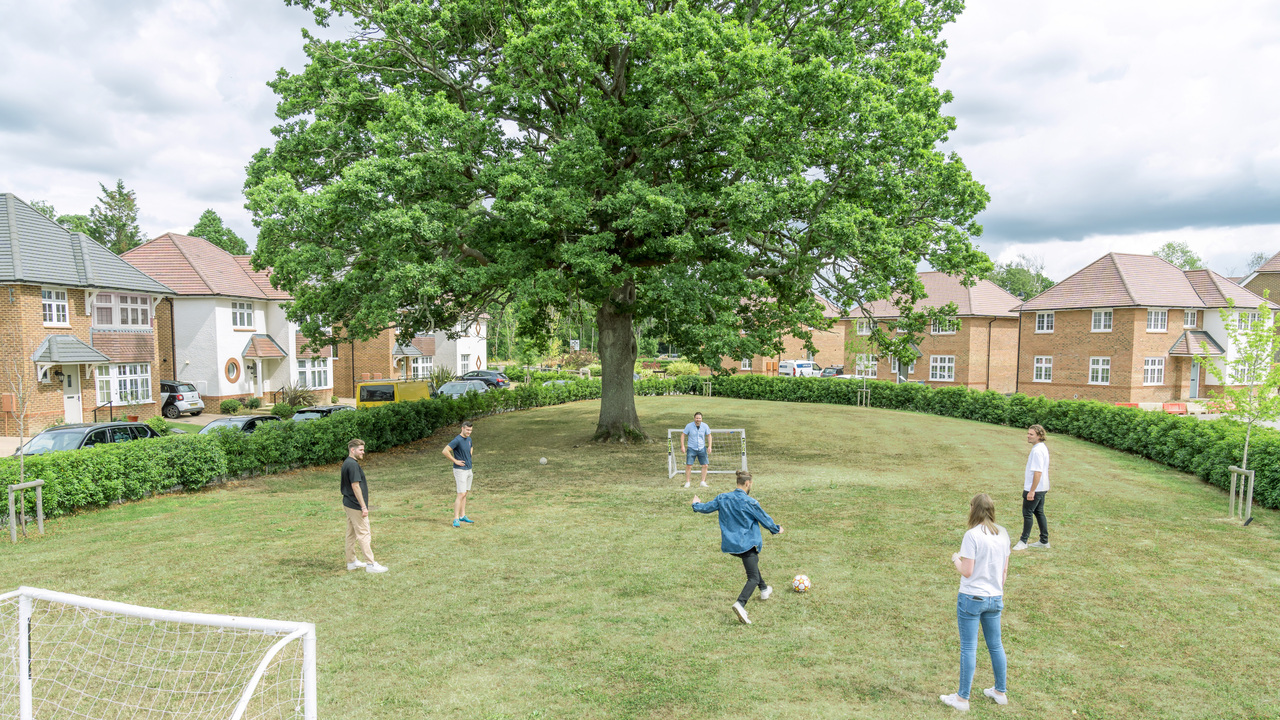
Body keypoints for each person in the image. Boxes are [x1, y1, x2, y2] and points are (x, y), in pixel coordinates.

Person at [941, 493, 1010, 712]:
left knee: (969, 648)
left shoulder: (971, 536)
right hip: (994, 597)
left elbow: (967, 571)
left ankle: (962, 699)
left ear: (974, 509)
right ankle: (1000, 692)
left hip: (971, 598)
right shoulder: (1003, 534)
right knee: (996, 645)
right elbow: (1004, 571)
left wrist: (955, 559)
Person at [691, 470, 783, 625]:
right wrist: (776, 528)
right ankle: (740, 604)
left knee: (752, 565)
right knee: (752, 577)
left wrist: (696, 504)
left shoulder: (722, 498)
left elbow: (706, 508)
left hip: (731, 545)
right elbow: (764, 519)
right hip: (746, 544)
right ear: (747, 484)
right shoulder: (750, 502)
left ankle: (764, 589)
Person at [341, 438, 388, 573]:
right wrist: (363, 506)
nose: (363, 452)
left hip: (348, 503)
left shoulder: (347, 463)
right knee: (364, 533)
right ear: (352, 450)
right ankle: (370, 564)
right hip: (355, 505)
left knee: (351, 533)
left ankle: (351, 562)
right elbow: (355, 486)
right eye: (361, 450)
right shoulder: (353, 465)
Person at [1014, 424, 1050, 551]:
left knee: (1027, 513)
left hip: (1036, 488)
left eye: (1031, 434)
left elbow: (1037, 472)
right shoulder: (1041, 448)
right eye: (1028, 433)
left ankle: (1023, 541)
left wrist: (1032, 490)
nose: (1028, 436)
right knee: (1039, 512)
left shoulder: (1037, 451)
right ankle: (1044, 540)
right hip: (1043, 487)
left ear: (1039, 436)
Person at [442, 421, 475, 528]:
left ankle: (462, 516)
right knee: (460, 494)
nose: (469, 432)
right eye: (467, 430)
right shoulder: (457, 440)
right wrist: (455, 461)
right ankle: (456, 519)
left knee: (465, 493)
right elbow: (445, 451)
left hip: (469, 469)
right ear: (462, 428)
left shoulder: (469, 439)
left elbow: (471, 447)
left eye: (470, 430)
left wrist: (468, 457)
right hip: (460, 471)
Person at [682, 412, 713, 488]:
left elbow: (709, 436)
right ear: (694, 418)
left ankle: (703, 481)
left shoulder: (705, 426)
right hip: (691, 448)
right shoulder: (689, 426)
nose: (698, 420)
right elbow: (683, 435)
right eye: (696, 418)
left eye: (699, 418)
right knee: (689, 465)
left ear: (701, 419)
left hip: (702, 448)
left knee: (705, 465)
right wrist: (682, 446)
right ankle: (688, 482)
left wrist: (709, 446)